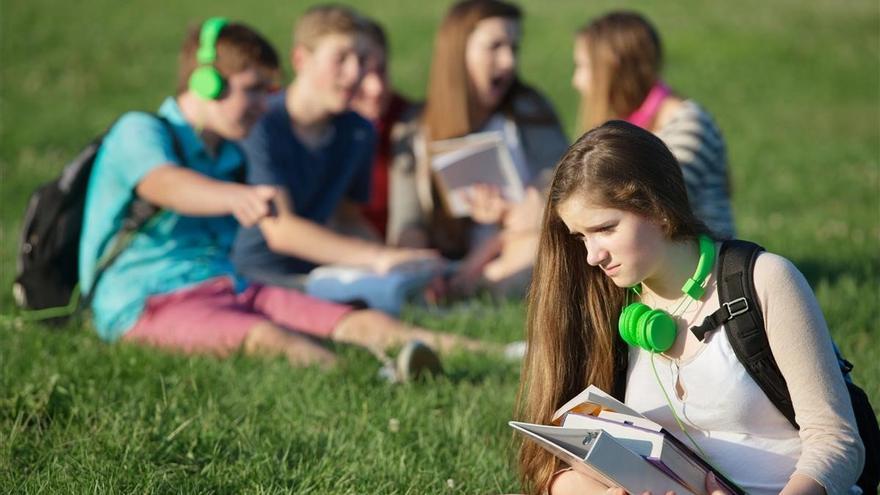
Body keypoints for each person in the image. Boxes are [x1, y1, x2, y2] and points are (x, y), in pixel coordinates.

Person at [78, 17, 491, 375]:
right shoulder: (140, 130)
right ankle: (374, 384)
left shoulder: (229, 150)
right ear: (208, 83)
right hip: (142, 301)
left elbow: (306, 217)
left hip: (230, 284)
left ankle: (502, 354)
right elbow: (164, 184)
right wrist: (234, 197)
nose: (264, 104)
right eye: (253, 90)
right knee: (270, 339)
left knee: (358, 323)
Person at [515, 120, 864, 494]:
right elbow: (559, 468)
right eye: (581, 236)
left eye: (605, 228)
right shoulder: (610, 304)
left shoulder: (763, 279)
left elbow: (837, 443)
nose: (591, 256)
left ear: (658, 209)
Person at [231, 5, 435, 285]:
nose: (355, 73)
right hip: (252, 275)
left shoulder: (359, 131)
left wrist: (401, 263)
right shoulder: (262, 123)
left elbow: (348, 219)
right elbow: (281, 231)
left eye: (362, 59)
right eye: (341, 58)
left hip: (319, 272)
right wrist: (376, 257)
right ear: (301, 59)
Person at [390, 0, 569, 298]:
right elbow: (407, 223)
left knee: (540, 248)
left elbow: (561, 180)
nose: (509, 61)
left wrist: (516, 211)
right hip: (448, 259)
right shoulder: (413, 129)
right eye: (495, 46)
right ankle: (466, 286)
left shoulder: (529, 110)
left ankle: (482, 285)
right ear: (458, 53)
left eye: (514, 48)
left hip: (521, 242)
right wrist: (421, 266)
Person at [572, 11, 736, 240]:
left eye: (583, 67)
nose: (576, 81)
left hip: (704, 263)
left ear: (613, 67)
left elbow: (650, 207)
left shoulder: (688, 124)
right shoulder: (625, 126)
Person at [348, 16, 419, 242]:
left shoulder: (410, 119)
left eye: (381, 71)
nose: (376, 88)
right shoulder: (317, 129)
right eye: (363, 73)